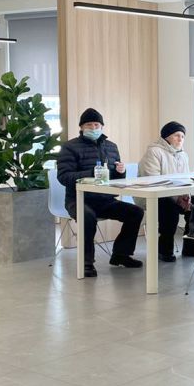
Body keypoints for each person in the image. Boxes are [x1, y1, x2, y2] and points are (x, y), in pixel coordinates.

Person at [55, 108, 144, 277]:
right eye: (89, 125)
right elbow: (64, 177)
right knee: (87, 217)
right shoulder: (70, 147)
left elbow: (115, 179)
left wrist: (121, 171)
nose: (93, 128)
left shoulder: (111, 147)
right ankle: (86, 263)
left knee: (136, 212)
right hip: (78, 200)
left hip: (105, 200)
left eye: (97, 125)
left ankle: (121, 255)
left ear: (102, 126)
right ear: (81, 127)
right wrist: (92, 173)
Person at [140, 121, 194, 262]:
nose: (180, 139)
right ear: (166, 137)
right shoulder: (154, 152)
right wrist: (177, 198)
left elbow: (186, 179)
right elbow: (153, 182)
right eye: (176, 135)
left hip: (175, 195)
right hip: (153, 196)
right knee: (169, 208)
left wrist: (186, 196)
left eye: (182, 136)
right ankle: (164, 250)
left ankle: (192, 249)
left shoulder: (183, 155)